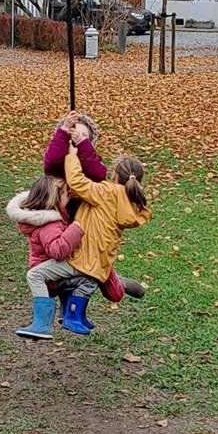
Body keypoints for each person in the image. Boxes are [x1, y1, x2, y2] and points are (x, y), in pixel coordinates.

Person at [48, 139, 150, 335]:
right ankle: (78, 314)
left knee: (86, 284)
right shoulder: (132, 201)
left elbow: (77, 181)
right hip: (103, 255)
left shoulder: (106, 191)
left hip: (86, 251)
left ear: (113, 176)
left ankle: (72, 316)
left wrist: (71, 156)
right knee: (91, 282)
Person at [42, 112, 145, 301]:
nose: (76, 137)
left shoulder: (91, 168)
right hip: (59, 223)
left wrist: (81, 147)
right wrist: (64, 133)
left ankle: (117, 282)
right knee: (53, 279)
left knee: (113, 294)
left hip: (85, 232)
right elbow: (51, 162)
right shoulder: (57, 163)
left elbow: (98, 174)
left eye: (83, 136)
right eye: (73, 133)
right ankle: (71, 301)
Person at [6, 175, 83, 340]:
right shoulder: (50, 224)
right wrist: (76, 228)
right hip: (56, 265)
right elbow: (58, 251)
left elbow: (56, 251)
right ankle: (43, 323)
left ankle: (54, 319)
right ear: (54, 201)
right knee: (35, 275)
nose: (68, 196)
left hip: (53, 265)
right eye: (64, 194)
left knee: (36, 275)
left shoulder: (42, 220)